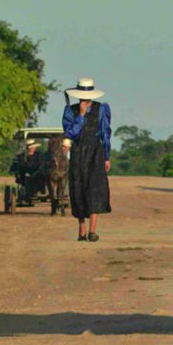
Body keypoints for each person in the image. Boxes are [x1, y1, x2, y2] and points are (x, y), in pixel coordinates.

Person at [62, 78, 112, 241]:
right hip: (78, 153)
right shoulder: (71, 111)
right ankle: (82, 228)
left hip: (95, 153)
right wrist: (81, 115)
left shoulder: (101, 109)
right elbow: (70, 133)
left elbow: (106, 133)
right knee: (78, 189)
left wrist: (106, 156)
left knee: (95, 190)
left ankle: (93, 231)